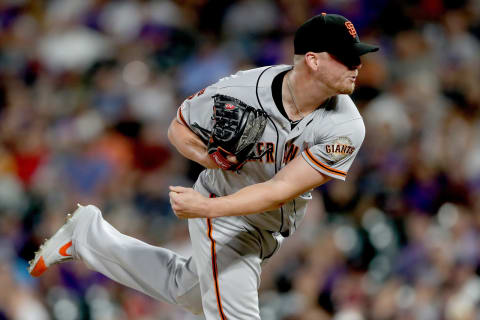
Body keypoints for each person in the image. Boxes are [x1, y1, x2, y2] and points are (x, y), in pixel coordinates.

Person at [28, 13, 378, 319]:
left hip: (261, 222)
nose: (357, 65)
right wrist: (208, 160)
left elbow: (279, 190)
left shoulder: (346, 126)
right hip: (226, 217)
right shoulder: (243, 89)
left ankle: (88, 236)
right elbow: (178, 128)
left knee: (187, 290)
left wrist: (206, 207)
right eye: (347, 58)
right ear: (314, 61)